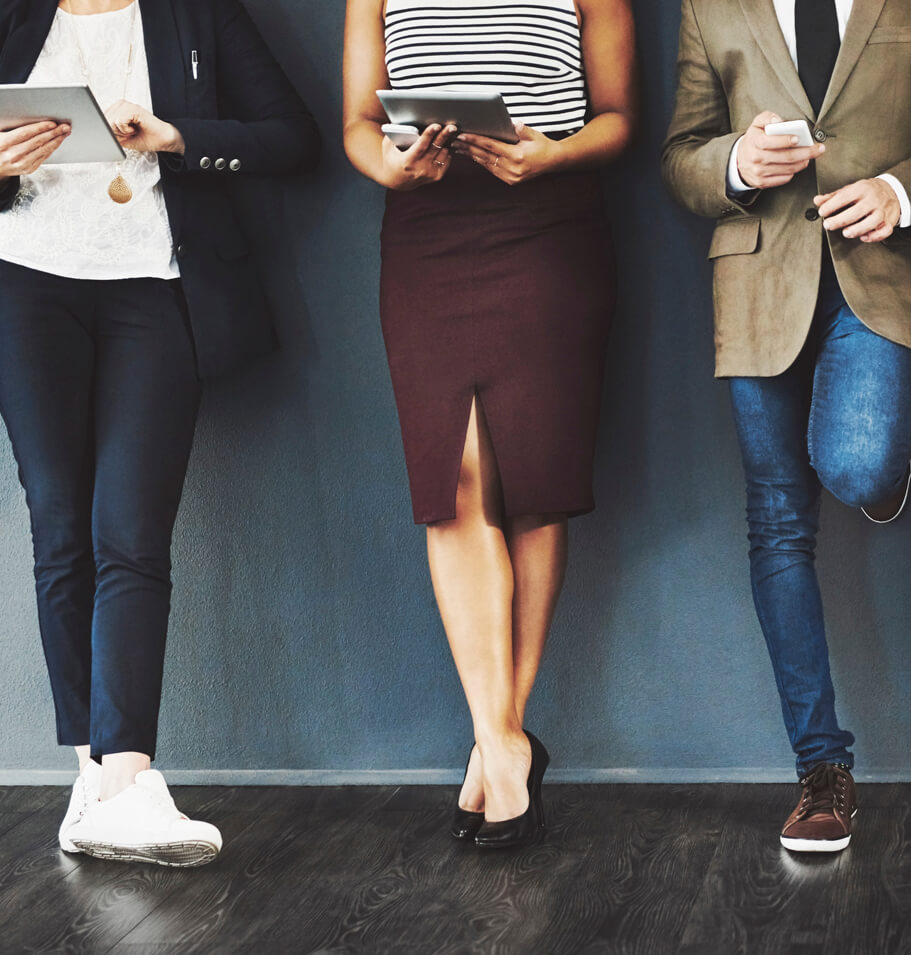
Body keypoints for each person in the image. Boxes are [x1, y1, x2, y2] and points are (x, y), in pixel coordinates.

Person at [662, 0, 911, 853]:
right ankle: (823, 772)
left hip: (882, 274)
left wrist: (903, 192)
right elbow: (681, 155)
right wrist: (736, 163)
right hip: (754, 282)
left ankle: (886, 478)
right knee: (778, 522)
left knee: (857, 467)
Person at [0, 0, 317, 866]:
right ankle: (98, 781)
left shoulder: (197, 13)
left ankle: (127, 779)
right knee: (60, 525)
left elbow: (293, 137)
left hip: (156, 286)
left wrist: (175, 136)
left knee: (131, 536)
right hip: (24, 289)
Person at [342, 0, 634, 849]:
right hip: (427, 229)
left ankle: (498, 743)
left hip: (550, 225)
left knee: (534, 484)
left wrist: (551, 154)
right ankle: (504, 742)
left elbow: (617, 118)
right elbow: (360, 121)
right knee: (454, 484)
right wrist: (390, 169)